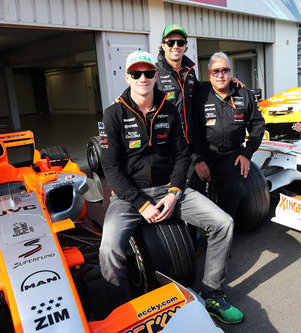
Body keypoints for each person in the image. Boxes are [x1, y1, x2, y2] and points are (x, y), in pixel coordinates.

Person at [99, 50, 244, 324]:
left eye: (149, 73)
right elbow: (111, 168)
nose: (143, 78)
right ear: (127, 76)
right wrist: (141, 204)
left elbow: (182, 156)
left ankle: (212, 294)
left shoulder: (168, 109)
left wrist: (175, 192)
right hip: (130, 197)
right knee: (108, 250)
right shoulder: (113, 114)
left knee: (223, 223)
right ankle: (120, 315)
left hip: (169, 189)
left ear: (156, 76)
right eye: (136, 73)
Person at [189, 52, 265, 222]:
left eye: (225, 70)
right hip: (206, 152)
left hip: (233, 154)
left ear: (230, 73)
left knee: (234, 189)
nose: (221, 75)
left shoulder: (244, 93)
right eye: (216, 71)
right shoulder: (200, 93)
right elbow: (193, 131)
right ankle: (192, 237)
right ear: (209, 74)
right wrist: (197, 159)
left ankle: (224, 230)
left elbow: (258, 124)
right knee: (193, 188)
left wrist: (247, 155)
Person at [155, 24, 244, 146]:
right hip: (166, 145)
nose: (175, 46)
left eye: (180, 43)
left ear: (185, 45)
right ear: (163, 45)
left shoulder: (189, 71)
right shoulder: (153, 73)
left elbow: (199, 88)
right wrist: (122, 100)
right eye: (170, 43)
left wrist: (224, 81)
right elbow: (137, 94)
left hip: (189, 144)